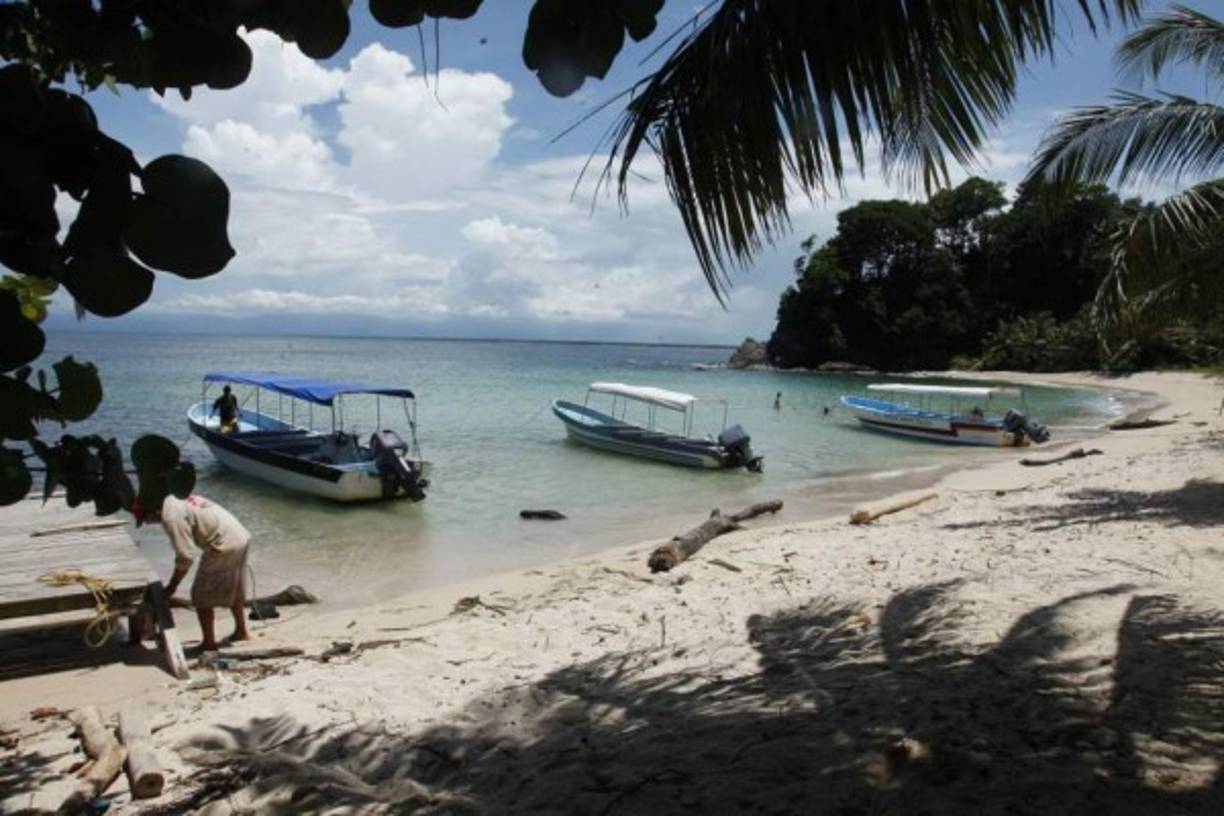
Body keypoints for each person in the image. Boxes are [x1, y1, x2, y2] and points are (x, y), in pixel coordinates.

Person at [134, 493, 251, 652]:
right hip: (240, 535)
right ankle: (241, 632)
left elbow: (185, 557)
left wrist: (172, 586)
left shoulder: (171, 517)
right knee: (236, 590)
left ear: (152, 511)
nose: (148, 523)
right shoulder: (172, 497)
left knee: (201, 597)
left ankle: (209, 644)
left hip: (223, 545)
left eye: (146, 519)